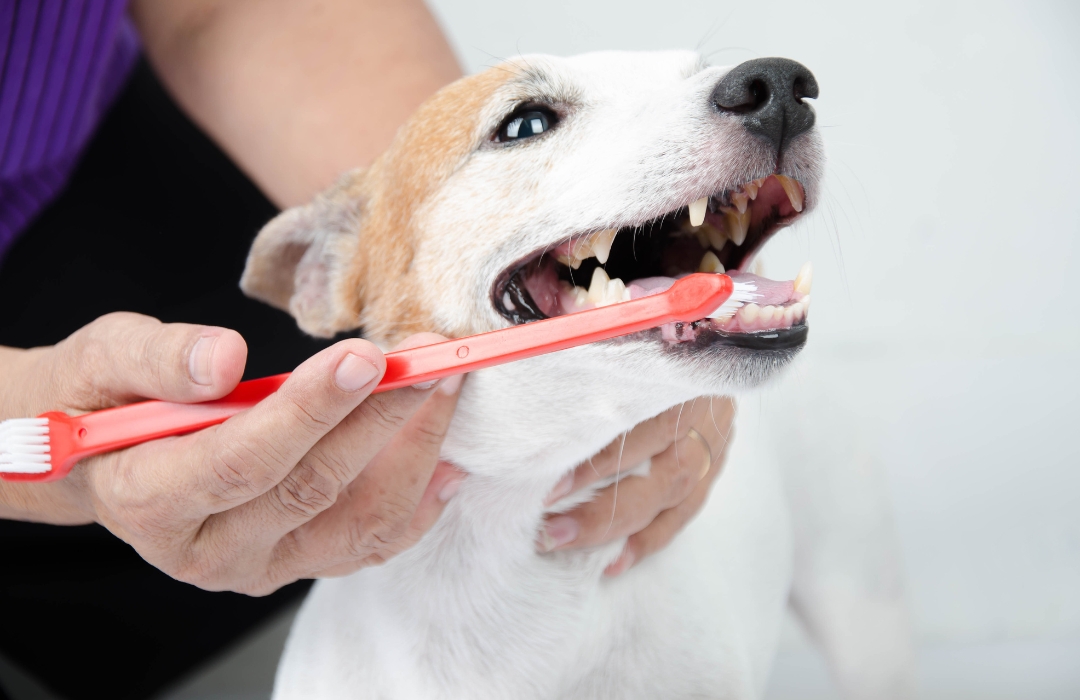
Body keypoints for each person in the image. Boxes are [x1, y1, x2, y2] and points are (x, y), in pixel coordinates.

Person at [0, 1, 735, 698]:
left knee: (293, 467)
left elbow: (224, 10)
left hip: (86, 142)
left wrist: (408, 224)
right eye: (531, 123)